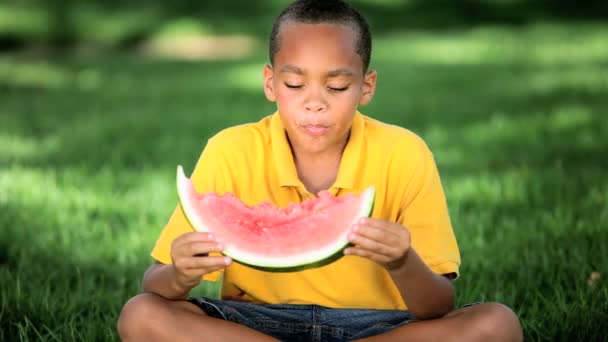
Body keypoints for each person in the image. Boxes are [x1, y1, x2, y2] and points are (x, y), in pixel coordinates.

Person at [117, 0, 523, 341]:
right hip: (256, 326)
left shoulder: (406, 154)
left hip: (377, 328)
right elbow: (155, 285)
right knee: (140, 315)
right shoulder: (230, 150)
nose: (315, 103)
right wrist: (180, 274)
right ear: (270, 83)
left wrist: (403, 262)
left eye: (337, 86)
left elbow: (438, 305)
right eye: (295, 85)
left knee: (497, 325)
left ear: (367, 86)